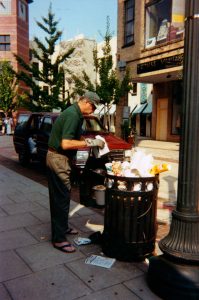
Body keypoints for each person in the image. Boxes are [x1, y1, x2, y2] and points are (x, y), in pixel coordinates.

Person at [46, 91, 105, 253]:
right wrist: (90, 142)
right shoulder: (73, 115)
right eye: (93, 105)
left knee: (63, 196)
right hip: (58, 159)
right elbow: (65, 143)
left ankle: (62, 228)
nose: (93, 109)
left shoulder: (75, 113)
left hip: (60, 159)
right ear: (85, 101)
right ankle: (58, 239)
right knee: (61, 198)